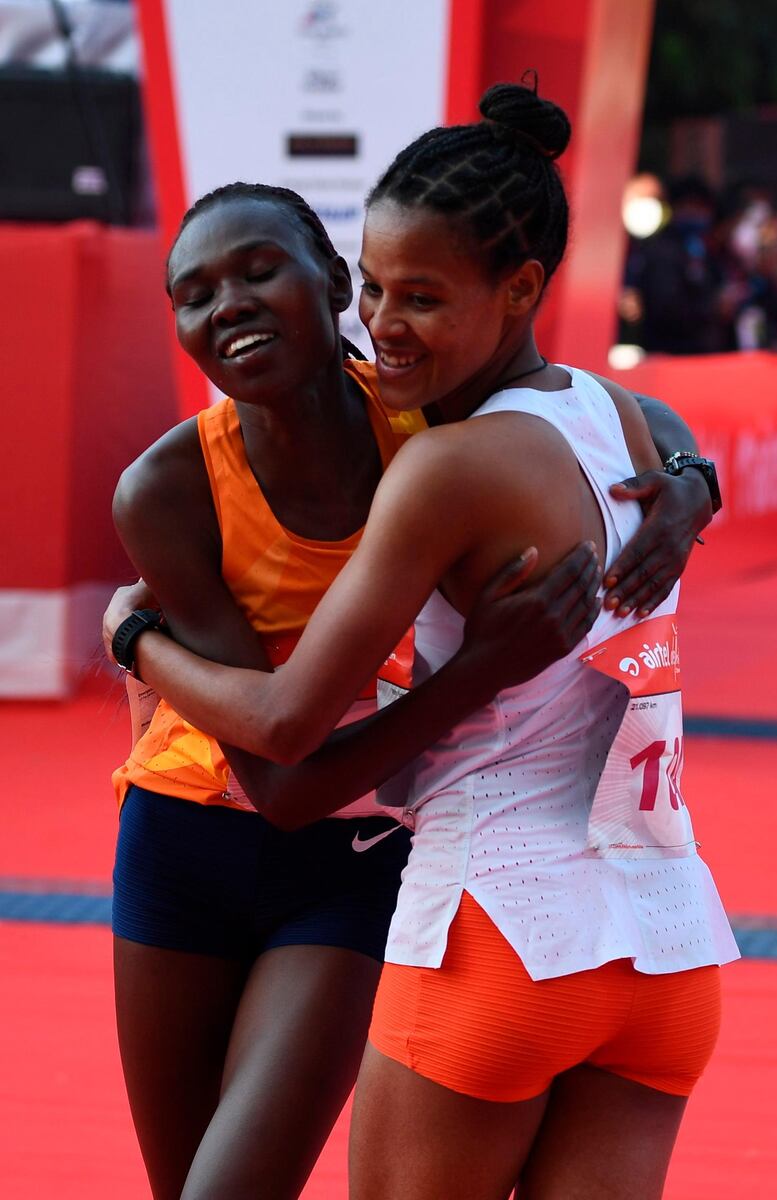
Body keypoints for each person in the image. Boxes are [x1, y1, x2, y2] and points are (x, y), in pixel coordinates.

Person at [108, 81, 736, 1200]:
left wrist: (133, 640)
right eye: (192, 293)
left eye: (422, 297)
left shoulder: (430, 435)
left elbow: (289, 752)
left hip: (465, 910)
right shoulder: (582, 413)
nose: (389, 324)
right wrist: (688, 484)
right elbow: (636, 421)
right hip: (654, 932)